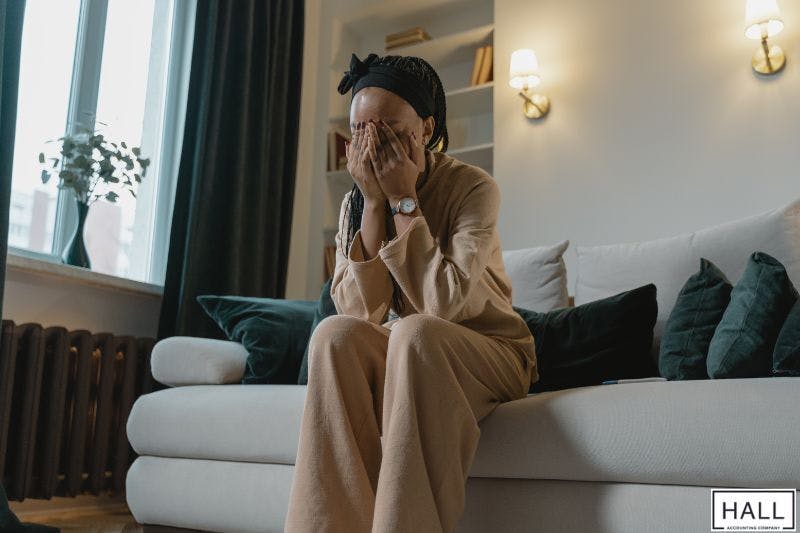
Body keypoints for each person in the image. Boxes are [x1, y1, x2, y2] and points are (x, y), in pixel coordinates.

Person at [284, 52, 539, 533]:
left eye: (392, 131)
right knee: (333, 335)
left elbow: (443, 306)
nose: (376, 145)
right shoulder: (355, 201)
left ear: (425, 128)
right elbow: (361, 314)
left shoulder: (473, 188)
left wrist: (404, 200)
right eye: (362, 133)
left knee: (417, 332)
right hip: (415, 350)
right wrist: (375, 206)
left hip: (491, 351)